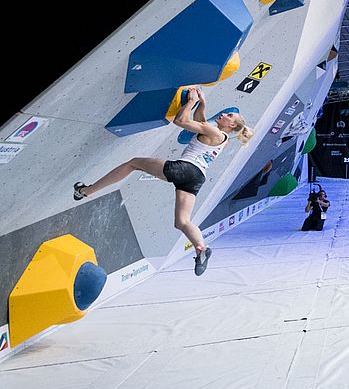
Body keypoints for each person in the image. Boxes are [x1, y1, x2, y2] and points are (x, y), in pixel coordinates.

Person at [73, 87, 253, 276]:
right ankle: (201, 248)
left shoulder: (214, 131)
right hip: (197, 178)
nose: (224, 113)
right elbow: (201, 122)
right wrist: (202, 103)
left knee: (133, 163)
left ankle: (87, 191)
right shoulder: (221, 137)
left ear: (232, 125)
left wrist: (190, 102)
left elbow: (181, 121)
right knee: (182, 222)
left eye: (229, 115)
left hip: (185, 168)